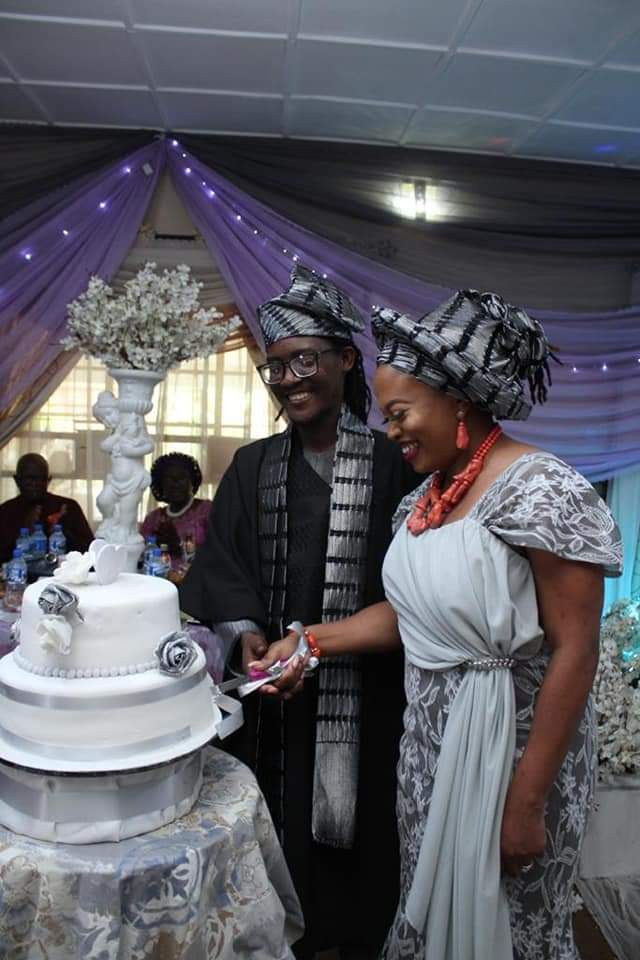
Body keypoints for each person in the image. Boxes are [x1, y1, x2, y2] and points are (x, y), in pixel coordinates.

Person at [253, 289, 623, 960]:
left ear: (458, 401)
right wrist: (308, 641)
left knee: (512, 926)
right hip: (429, 747)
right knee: (432, 911)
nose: (391, 431)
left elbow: (577, 647)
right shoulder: (425, 500)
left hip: (513, 754)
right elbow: (414, 616)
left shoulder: (542, 489)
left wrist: (527, 801)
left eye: (401, 414)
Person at [179, 265, 416, 959]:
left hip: (372, 696)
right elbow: (221, 569)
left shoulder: (396, 464)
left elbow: (420, 587)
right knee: (277, 843)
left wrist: (321, 643)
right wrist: (248, 639)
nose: (289, 380)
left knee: (366, 845)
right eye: (276, 367)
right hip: (274, 709)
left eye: (305, 361)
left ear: (346, 359)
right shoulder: (251, 467)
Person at [0, 453, 94, 565]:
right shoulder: (5, 511)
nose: (35, 484)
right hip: (18, 574)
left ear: (48, 480)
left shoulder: (68, 507)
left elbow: (90, 552)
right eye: (29, 478)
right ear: (17, 480)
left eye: (40, 479)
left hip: (61, 573)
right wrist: (24, 529)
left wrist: (64, 531)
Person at [141, 452, 211, 567]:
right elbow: (141, 559)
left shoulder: (207, 511)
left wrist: (178, 546)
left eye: (182, 477)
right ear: (161, 484)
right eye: (169, 478)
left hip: (198, 577)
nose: (176, 483)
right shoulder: (153, 519)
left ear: (192, 481)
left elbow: (219, 553)